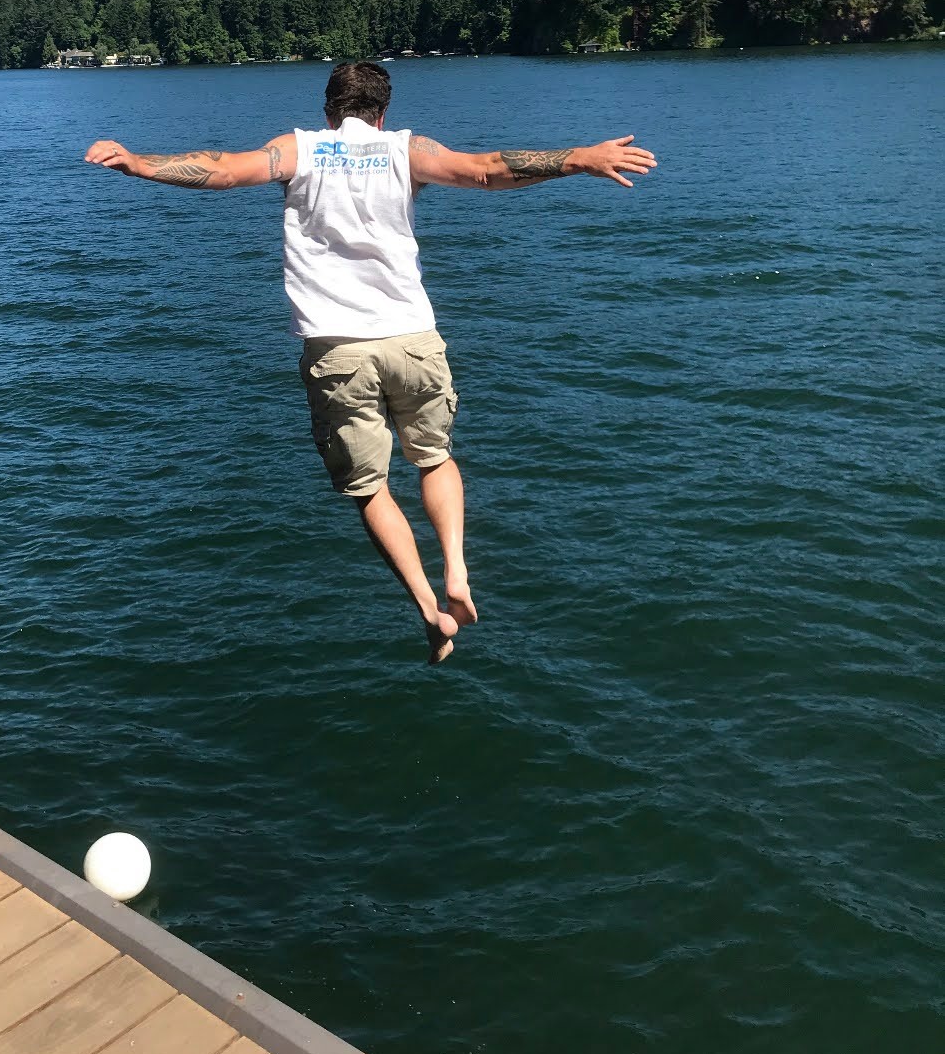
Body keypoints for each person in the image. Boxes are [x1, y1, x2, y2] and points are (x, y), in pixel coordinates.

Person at [85, 61, 656, 665]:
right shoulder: (408, 151)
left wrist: (142, 163)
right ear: (383, 113)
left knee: (370, 487)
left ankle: (430, 607)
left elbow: (222, 170)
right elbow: (488, 171)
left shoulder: (297, 151)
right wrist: (580, 157)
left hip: (337, 348)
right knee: (434, 458)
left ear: (328, 111)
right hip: (412, 338)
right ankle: (457, 570)